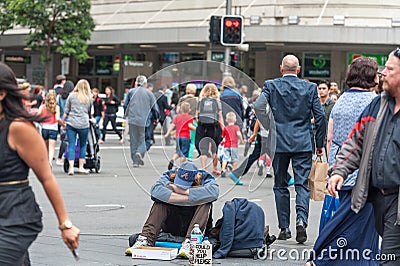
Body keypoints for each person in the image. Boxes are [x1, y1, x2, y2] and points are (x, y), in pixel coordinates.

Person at [0, 62, 79, 264]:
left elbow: (46, 177)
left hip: (15, 215)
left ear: (2, 94)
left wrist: (65, 224)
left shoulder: (19, 128)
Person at [328, 48, 400, 264]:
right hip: (379, 198)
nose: (382, 73)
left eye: (389, 68)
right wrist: (340, 170)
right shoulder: (377, 105)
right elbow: (356, 142)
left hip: (397, 203)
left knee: (389, 257)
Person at [307, 57, 380, 265]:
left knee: (354, 221)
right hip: (365, 172)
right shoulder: (374, 102)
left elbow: (331, 137)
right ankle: (320, 258)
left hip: (342, 168)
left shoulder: (341, 101)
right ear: (370, 76)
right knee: (353, 224)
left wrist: (334, 168)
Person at [254, 54, 326, 243]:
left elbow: (258, 105)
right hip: (303, 141)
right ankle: (301, 220)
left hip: (279, 141)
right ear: (299, 69)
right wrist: (320, 144)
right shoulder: (310, 88)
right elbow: (320, 117)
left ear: (281, 68)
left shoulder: (271, 85)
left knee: (280, 184)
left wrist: (269, 125)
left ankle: (284, 228)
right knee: (302, 184)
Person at [129, 162, 219, 259]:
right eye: (179, 185)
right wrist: (192, 198)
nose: (181, 187)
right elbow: (156, 192)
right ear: (176, 174)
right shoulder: (168, 175)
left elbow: (213, 193)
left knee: (206, 202)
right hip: (172, 225)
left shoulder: (205, 178)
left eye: (185, 185)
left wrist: (182, 192)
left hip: (195, 229)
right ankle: (146, 239)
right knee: (160, 201)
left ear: (196, 178)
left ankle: (190, 243)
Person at [124, 75, 158, 167]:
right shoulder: (149, 93)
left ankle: (135, 161)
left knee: (133, 140)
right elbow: (154, 108)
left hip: (132, 119)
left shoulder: (131, 92)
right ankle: (140, 152)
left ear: (136, 83)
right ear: (145, 83)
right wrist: (156, 118)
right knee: (143, 139)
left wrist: (126, 114)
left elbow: (126, 105)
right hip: (144, 120)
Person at [61, 79, 92, 175]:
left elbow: (66, 111)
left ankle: (71, 168)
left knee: (71, 144)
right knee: (83, 145)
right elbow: (89, 111)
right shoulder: (89, 98)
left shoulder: (71, 96)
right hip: (83, 123)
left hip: (71, 122)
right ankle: (81, 167)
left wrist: (62, 122)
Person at [195, 83, 225, 174]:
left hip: (202, 126)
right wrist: (223, 127)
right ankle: (215, 168)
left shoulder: (201, 101)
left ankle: (204, 168)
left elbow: (196, 116)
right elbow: (220, 116)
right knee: (214, 148)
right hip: (214, 126)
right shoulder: (217, 101)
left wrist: (199, 123)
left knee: (203, 149)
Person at [164, 102, 196, 170]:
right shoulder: (190, 117)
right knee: (184, 153)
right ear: (189, 110)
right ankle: (182, 167)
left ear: (181, 109)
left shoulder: (177, 117)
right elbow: (190, 126)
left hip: (178, 137)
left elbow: (172, 125)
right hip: (186, 137)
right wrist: (197, 130)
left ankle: (172, 160)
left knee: (178, 152)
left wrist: (167, 133)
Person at [38, 91, 60, 167]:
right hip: (53, 128)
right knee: (51, 147)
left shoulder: (42, 107)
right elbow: (57, 118)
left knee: (45, 146)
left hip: (44, 127)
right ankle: (49, 162)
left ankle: (45, 161)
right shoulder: (56, 107)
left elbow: (38, 116)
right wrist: (63, 124)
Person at [177, 83, 199, 159]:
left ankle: (181, 154)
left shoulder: (182, 99)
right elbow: (197, 112)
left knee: (183, 138)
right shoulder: (196, 100)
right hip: (192, 121)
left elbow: (178, 110)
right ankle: (189, 157)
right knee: (192, 141)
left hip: (183, 121)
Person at [55, 80, 74, 166]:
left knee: (63, 139)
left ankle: (60, 157)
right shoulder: (71, 97)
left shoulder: (59, 97)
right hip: (70, 119)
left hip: (61, 120)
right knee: (70, 140)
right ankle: (64, 157)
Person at [220, 112, 244, 177]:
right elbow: (238, 134)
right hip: (234, 146)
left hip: (226, 145)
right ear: (235, 120)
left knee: (225, 158)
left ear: (226, 120)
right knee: (235, 159)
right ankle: (233, 172)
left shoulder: (226, 128)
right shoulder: (236, 127)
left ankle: (223, 169)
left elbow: (223, 137)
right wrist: (241, 140)